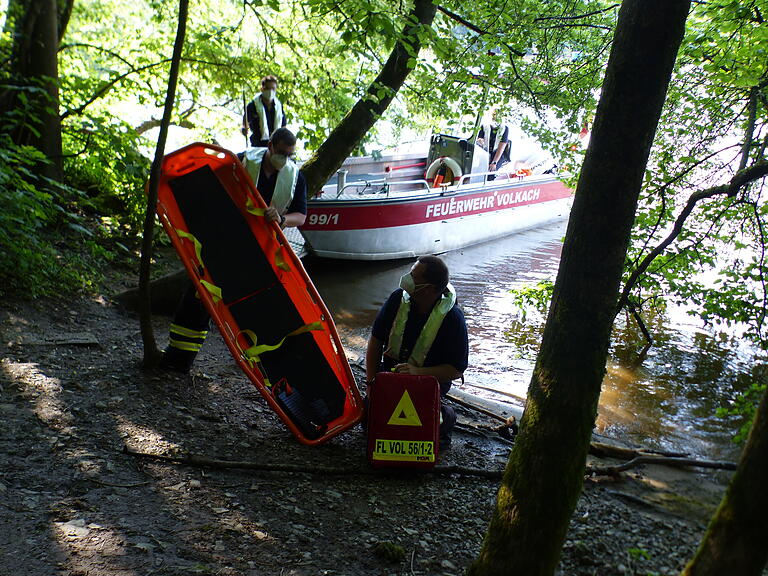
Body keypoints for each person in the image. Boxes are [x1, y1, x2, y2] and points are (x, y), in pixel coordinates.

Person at [160, 128, 307, 373]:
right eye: (281, 153)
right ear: (270, 146)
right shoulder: (241, 160)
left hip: (259, 251)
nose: (284, 159)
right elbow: (208, 192)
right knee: (200, 296)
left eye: (289, 155)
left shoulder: (295, 177)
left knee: (253, 305)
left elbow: (300, 216)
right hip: (223, 241)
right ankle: (178, 358)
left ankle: (260, 367)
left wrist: (281, 219)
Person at [365, 255, 469, 448]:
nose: (407, 279)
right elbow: (376, 340)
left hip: (429, 381)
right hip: (391, 374)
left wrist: (417, 372)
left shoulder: (453, 318)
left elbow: (456, 370)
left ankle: (445, 415)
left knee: (423, 429)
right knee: (369, 420)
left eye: (413, 276)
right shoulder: (398, 299)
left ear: (429, 289)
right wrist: (371, 382)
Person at [243, 75, 288, 148]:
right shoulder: (252, 106)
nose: (270, 91)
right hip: (257, 144)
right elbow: (245, 123)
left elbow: (284, 127)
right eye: (267, 88)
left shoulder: (279, 107)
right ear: (262, 89)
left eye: (273, 89)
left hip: (275, 145)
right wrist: (244, 130)